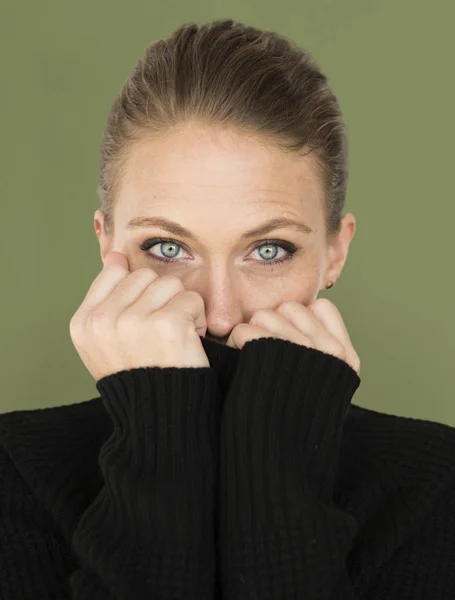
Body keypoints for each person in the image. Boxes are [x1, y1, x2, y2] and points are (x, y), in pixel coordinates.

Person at [1, 17, 454, 600]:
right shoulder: (14, 469)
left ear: (335, 252)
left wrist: (279, 465)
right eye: (168, 248)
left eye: (269, 250)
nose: (216, 313)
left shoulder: (435, 482)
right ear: (105, 245)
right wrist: (160, 430)